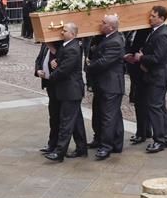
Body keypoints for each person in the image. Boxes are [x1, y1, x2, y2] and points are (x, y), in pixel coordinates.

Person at [43, 23, 87, 162]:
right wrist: (55, 62)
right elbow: (59, 61)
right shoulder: (65, 45)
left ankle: (59, 152)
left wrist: (50, 75)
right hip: (67, 90)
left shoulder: (73, 48)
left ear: (73, 34)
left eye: (65, 30)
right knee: (77, 121)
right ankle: (81, 148)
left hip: (71, 90)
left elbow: (64, 70)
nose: (62, 32)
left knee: (66, 123)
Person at [85, 15, 125, 160]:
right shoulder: (105, 38)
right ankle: (104, 139)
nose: (100, 24)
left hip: (111, 85)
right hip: (102, 84)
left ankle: (107, 146)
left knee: (109, 116)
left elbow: (104, 62)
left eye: (103, 23)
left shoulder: (115, 41)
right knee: (100, 113)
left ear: (111, 27)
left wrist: (89, 66)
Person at [139, 6, 167, 153]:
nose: (150, 18)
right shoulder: (156, 32)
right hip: (155, 75)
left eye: (153, 16)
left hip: (158, 77)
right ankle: (165, 138)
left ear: (161, 18)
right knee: (159, 107)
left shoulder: (162, 34)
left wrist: (142, 58)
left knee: (155, 108)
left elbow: (158, 58)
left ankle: (160, 140)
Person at [124, 25, 151, 146]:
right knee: (139, 101)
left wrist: (138, 58)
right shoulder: (132, 30)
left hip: (142, 70)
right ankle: (145, 130)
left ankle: (142, 132)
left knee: (141, 101)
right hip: (134, 70)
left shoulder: (145, 31)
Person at [35, 40, 59, 155]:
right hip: (49, 84)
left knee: (59, 117)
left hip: (58, 85)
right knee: (53, 116)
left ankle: (58, 145)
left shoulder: (58, 45)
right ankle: (52, 143)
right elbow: (39, 59)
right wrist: (38, 70)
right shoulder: (45, 44)